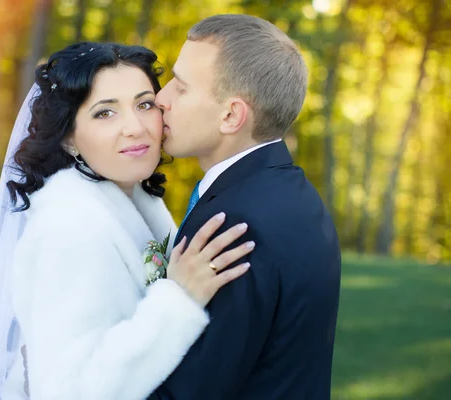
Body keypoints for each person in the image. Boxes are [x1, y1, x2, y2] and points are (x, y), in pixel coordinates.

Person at [0, 42, 255, 400]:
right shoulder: (70, 226)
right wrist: (179, 299)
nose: (135, 127)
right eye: (105, 113)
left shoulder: (138, 200)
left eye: (144, 105)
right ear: (69, 138)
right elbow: (69, 391)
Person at [145, 14, 342, 399]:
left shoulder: (233, 225)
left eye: (181, 88)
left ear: (232, 115)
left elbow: (189, 392)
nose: (161, 98)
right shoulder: (297, 195)